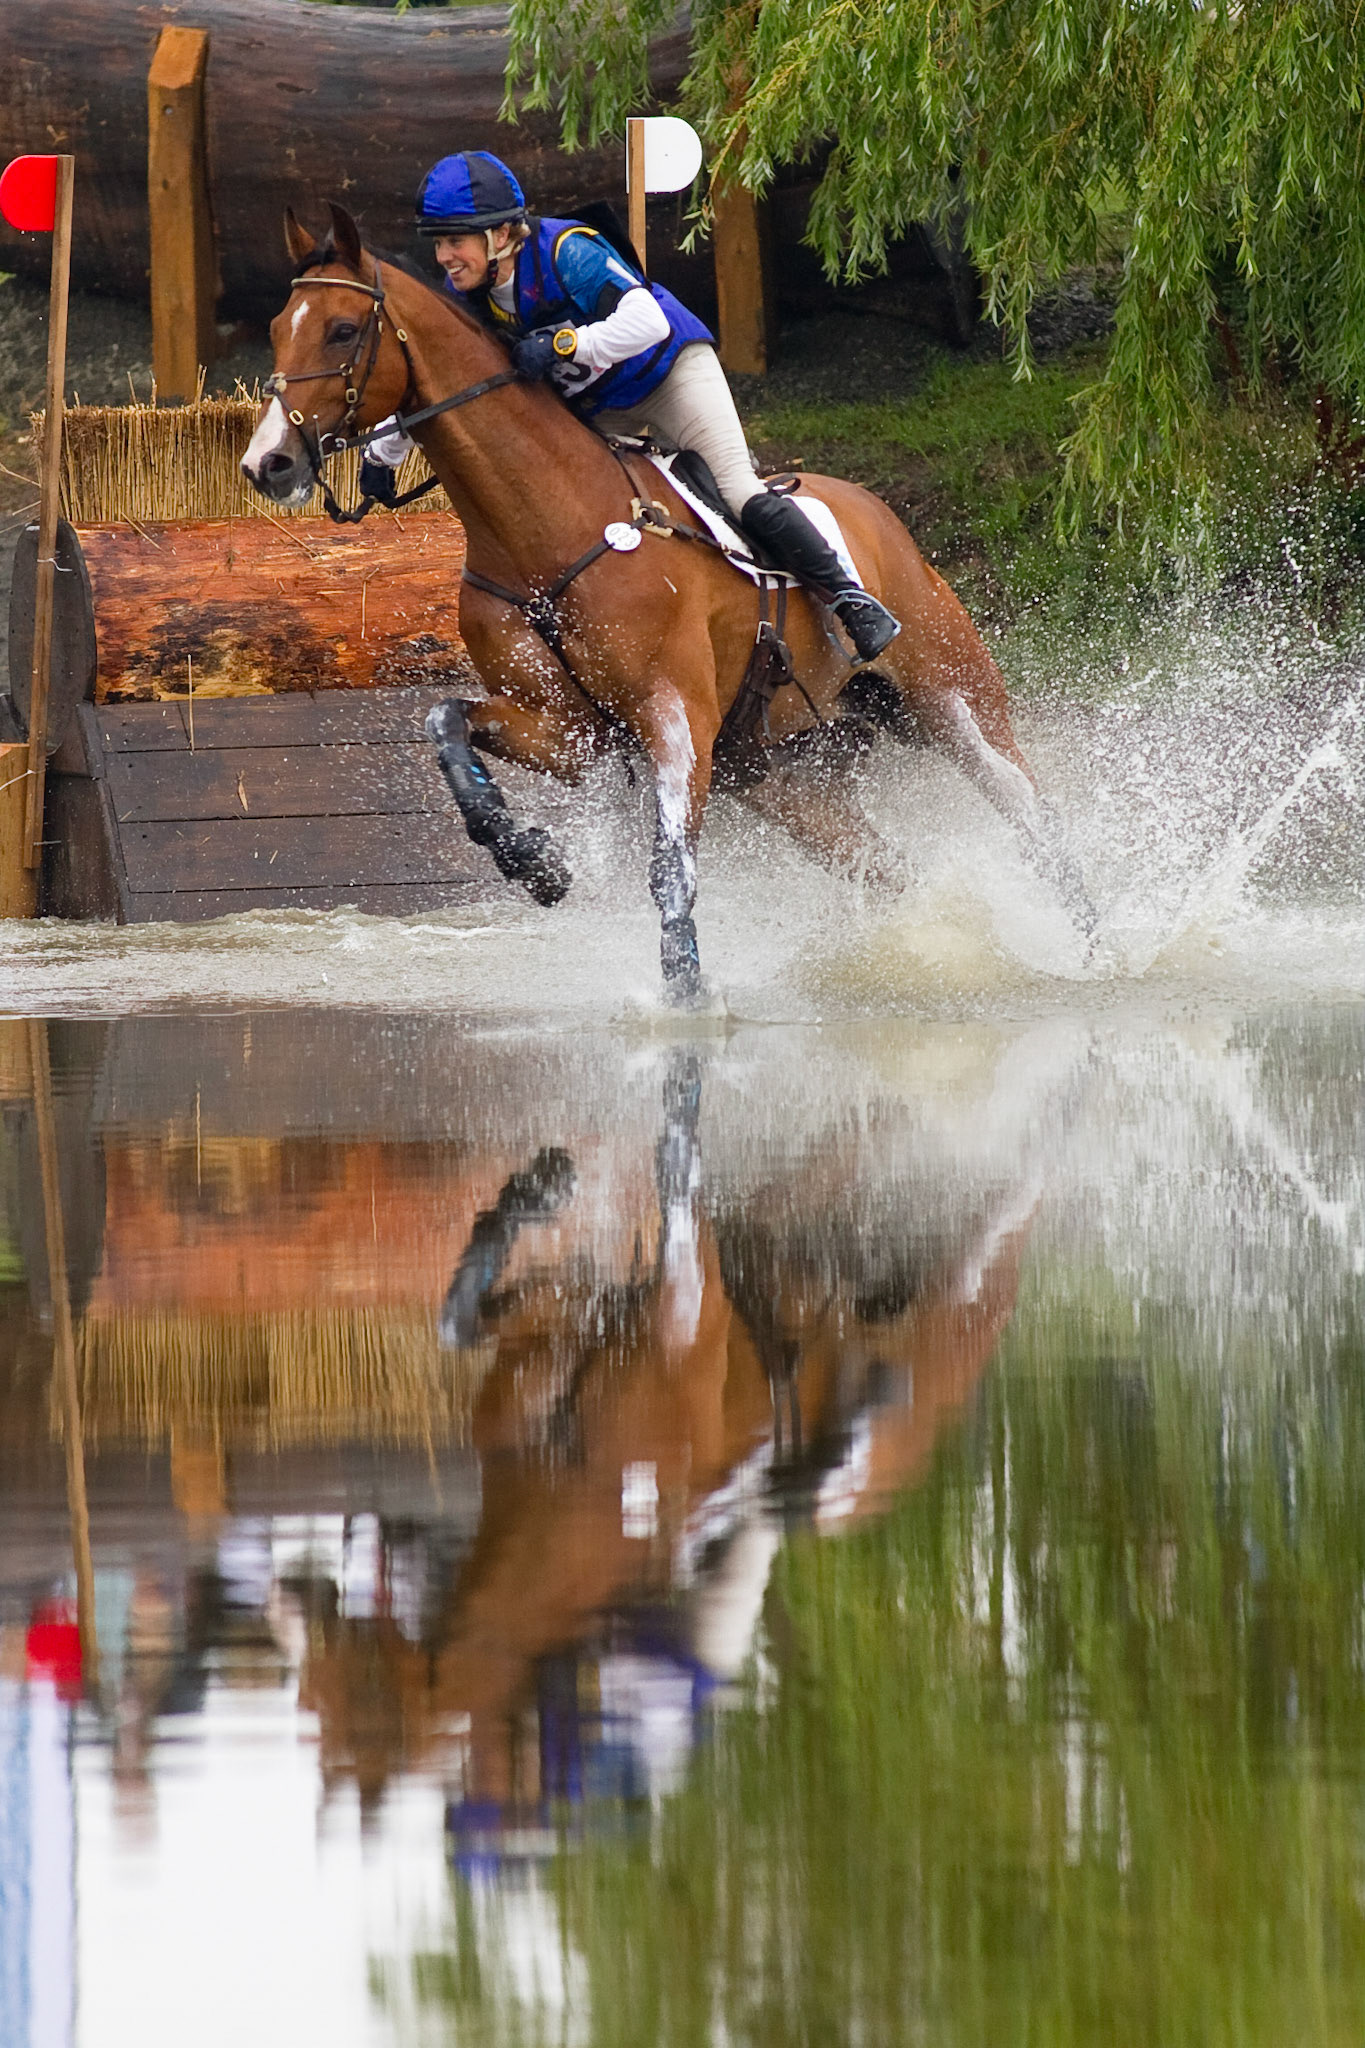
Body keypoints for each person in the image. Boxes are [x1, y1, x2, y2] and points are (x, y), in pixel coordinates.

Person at [362, 150, 900, 661]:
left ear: (501, 233)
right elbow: (442, 384)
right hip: (600, 406)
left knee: (736, 490)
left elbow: (648, 323)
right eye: (437, 243)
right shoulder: (468, 298)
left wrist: (565, 344)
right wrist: (384, 452)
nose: (443, 258)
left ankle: (851, 600)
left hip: (667, 375)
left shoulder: (567, 251)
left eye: (455, 241)